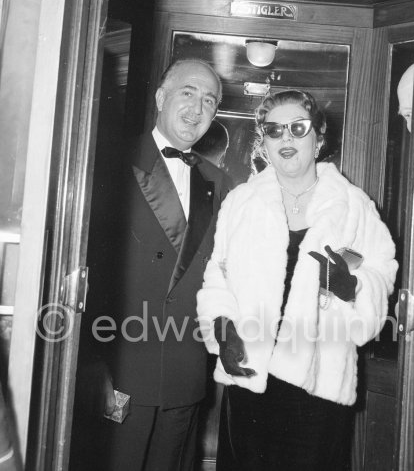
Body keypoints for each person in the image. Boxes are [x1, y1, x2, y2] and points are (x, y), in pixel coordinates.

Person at [197, 90, 397, 471]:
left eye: (297, 128)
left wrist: (351, 288)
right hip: (251, 377)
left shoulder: (353, 207)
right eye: (274, 131)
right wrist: (223, 331)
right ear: (264, 142)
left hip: (316, 388)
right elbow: (216, 280)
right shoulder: (242, 203)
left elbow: (380, 272)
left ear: (318, 138)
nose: (285, 138)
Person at [73, 59, 233, 471]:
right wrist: (91, 364)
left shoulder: (220, 183)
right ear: (161, 97)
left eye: (209, 101)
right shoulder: (107, 162)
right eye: (188, 93)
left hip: (185, 375)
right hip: (120, 370)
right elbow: (83, 273)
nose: (197, 109)